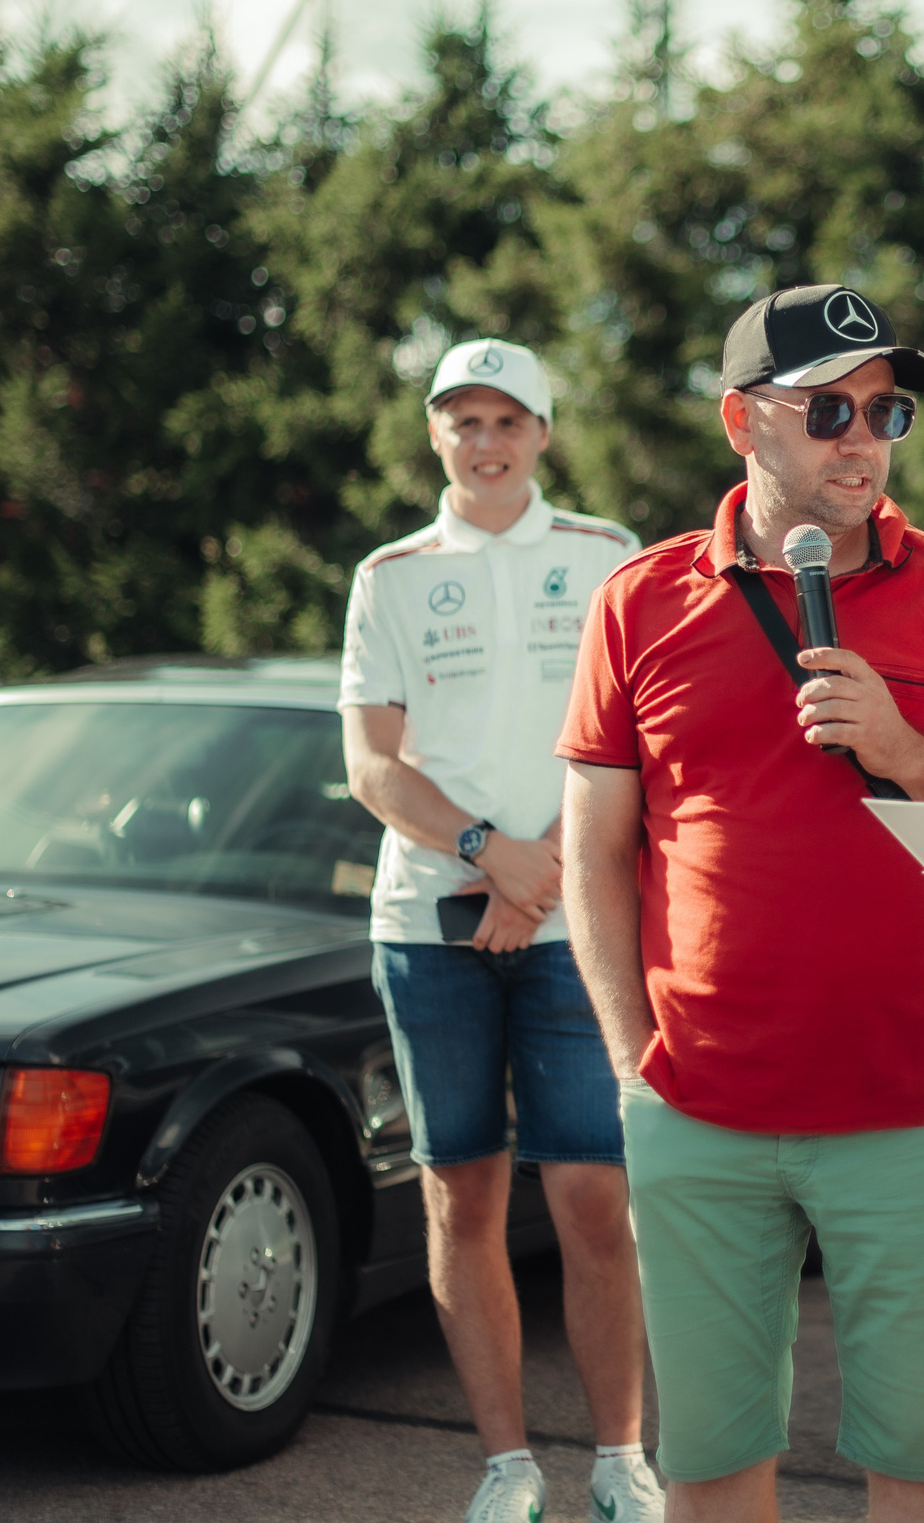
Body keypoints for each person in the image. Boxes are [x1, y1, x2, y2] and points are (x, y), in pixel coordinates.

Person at [556, 284, 924, 1523]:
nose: (863, 438)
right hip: (700, 1106)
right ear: (744, 420)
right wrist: (633, 1057)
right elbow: (591, 853)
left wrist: (907, 751)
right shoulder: (638, 600)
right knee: (713, 1460)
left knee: (922, 1457)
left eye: (885, 409)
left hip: (915, 1102)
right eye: (829, 408)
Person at [339, 337, 665, 1523]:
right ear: (436, 433)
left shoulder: (606, 555)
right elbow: (372, 762)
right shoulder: (390, 572)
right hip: (431, 925)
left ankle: (622, 1459)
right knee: (460, 1193)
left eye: (507, 421)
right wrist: (493, 856)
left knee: (591, 1192)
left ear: (542, 431)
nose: (485, 443)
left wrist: (547, 880)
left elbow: (638, 741)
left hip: (576, 922)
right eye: (462, 421)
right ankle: (506, 1465)